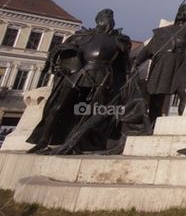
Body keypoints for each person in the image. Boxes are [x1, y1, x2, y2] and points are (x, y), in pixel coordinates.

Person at [27, 9, 130, 153]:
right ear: (98, 20)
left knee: (91, 110)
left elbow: (125, 62)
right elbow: (63, 51)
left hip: (102, 75)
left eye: (110, 18)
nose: (108, 21)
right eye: (104, 18)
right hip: (78, 73)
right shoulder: (83, 36)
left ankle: (77, 142)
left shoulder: (119, 39)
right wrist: (63, 58)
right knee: (58, 106)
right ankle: (43, 140)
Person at [135, 0, 186, 123]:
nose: (182, 12)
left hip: (182, 65)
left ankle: (181, 124)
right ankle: (152, 126)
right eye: (180, 10)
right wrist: (136, 62)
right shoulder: (162, 31)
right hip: (163, 65)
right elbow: (148, 49)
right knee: (156, 100)